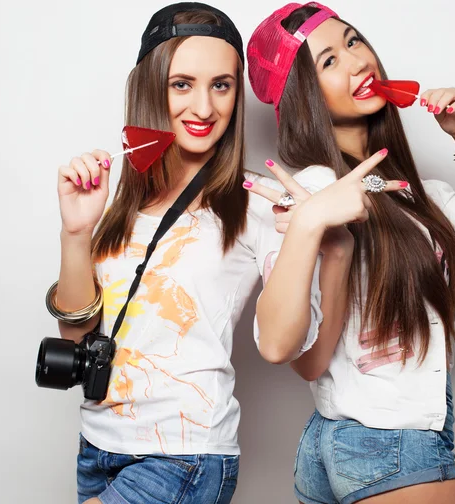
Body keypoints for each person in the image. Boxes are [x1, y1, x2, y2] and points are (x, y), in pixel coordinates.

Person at [48, 3, 324, 503]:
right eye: (182, 84)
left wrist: (304, 233)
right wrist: (75, 234)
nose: (204, 107)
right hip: (97, 445)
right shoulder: (116, 197)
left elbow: (284, 347)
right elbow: (78, 334)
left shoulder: (257, 202)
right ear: (152, 88)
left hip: (185, 455)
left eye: (222, 85)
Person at [245, 3, 455, 503]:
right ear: (303, 96)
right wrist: (315, 226)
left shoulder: (407, 190)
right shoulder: (314, 190)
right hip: (387, 442)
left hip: (351, 439)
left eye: (353, 41)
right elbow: (290, 353)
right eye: (328, 62)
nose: (356, 61)